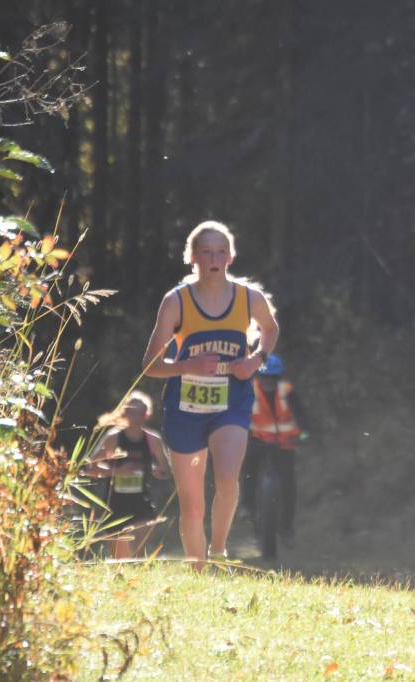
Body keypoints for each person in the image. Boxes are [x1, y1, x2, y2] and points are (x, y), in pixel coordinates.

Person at [141, 221, 279, 569]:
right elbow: (150, 365)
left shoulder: (249, 298)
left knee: (228, 476)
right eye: (206, 252)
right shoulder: (176, 302)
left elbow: (271, 329)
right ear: (193, 258)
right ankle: (198, 571)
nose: (214, 259)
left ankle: (218, 550)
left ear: (230, 256)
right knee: (191, 504)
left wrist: (255, 360)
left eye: (221, 251)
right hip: (184, 408)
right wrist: (186, 366)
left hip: (231, 402)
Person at [83, 391, 170, 559]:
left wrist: (156, 471)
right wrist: (116, 471)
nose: (136, 417)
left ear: (147, 415)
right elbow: (89, 469)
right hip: (115, 505)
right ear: (125, 413)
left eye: (140, 413)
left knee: (137, 553)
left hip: (141, 503)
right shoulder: (113, 438)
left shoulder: (153, 440)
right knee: (121, 560)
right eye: (131, 412)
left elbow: (166, 471)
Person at [240, 352, 310, 549]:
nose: (268, 382)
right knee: (249, 470)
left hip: (284, 444)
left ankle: (286, 528)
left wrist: (303, 435)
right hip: (257, 441)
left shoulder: (287, 392)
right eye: (264, 377)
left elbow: (303, 419)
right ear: (258, 377)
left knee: (289, 486)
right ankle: (247, 505)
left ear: (278, 377)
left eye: (272, 377)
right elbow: (238, 415)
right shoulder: (248, 391)